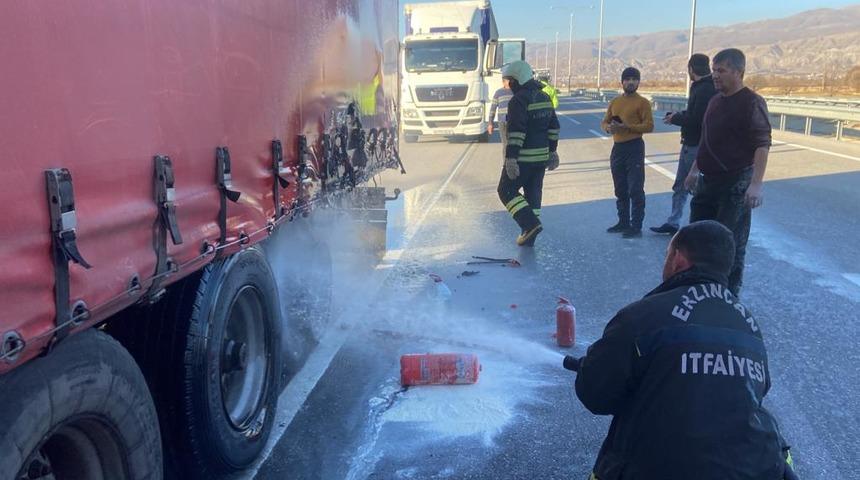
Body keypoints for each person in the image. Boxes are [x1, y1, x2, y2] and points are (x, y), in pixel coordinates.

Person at [564, 220, 796, 480]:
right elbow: (757, 391)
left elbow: (596, 395)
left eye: (666, 255)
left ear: (678, 259)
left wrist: (591, 368)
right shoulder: (748, 324)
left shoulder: (640, 316)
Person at [683, 48, 771, 296]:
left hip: (735, 183)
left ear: (738, 72)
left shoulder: (752, 102)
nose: (715, 75)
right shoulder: (714, 101)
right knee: (698, 238)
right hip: (707, 182)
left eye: (721, 70)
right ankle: (699, 289)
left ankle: (727, 296)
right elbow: (706, 141)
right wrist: (693, 171)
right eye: (713, 70)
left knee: (728, 243)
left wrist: (755, 184)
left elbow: (762, 144)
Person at [650, 53, 718, 235]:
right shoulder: (709, 86)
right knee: (686, 185)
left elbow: (697, 119)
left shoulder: (703, 89)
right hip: (700, 144)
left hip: (694, 145)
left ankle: (694, 225)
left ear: (690, 69)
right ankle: (682, 223)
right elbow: (697, 113)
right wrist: (679, 115)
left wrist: (676, 118)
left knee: (688, 185)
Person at [497, 60, 560, 247]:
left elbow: (516, 132)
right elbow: (554, 127)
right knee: (533, 193)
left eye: (509, 81)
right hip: (540, 159)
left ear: (517, 79)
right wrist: (552, 151)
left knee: (506, 190)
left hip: (524, 158)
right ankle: (530, 235)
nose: (507, 85)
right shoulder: (544, 97)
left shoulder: (519, 100)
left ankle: (529, 224)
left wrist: (511, 158)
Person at [601, 67, 654, 238]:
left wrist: (627, 127)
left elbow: (649, 126)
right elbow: (605, 122)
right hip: (618, 149)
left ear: (638, 82)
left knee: (635, 188)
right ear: (622, 82)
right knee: (620, 188)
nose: (631, 82)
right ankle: (623, 221)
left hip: (634, 147)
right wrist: (608, 127)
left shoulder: (643, 102)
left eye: (634, 79)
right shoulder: (615, 102)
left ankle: (636, 224)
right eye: (628, 79)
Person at [488, 78, 514, 159]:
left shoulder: (516, 92)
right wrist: (490, 123)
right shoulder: (498, 93)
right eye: (507, 80)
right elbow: (493, 108)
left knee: (513, 144)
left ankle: (514, 163)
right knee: (505, 144)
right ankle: (505, 165)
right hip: (502, 122)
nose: (509, 82)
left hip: (513, 122)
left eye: (510, 80)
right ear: (503, 82)